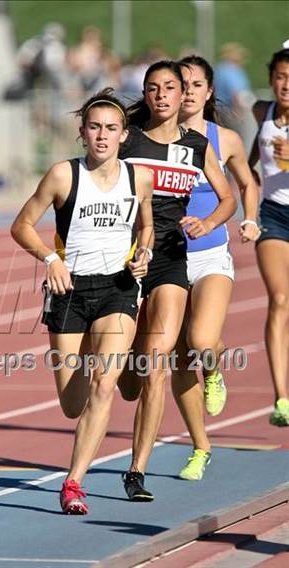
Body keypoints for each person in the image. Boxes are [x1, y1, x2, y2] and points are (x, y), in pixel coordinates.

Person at [11, 89, 154, 514]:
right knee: (73, 405)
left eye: (111, 128)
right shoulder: (62, 175)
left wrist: (143, 252)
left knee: (103, 385)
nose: (103, 136)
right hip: (69, 291)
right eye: (95, 128)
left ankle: (74, 483)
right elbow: (21, 226)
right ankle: (106, 355)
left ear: (124, 135)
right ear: (82, 134)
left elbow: (146, 227)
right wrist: (50, 258)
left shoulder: (138, 177)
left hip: (119, 288)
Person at [116, 60, 237, 500]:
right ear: (146, 95)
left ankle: (136, 471)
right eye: (155, 88)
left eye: (171, 87)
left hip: (171, 260)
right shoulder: (126, 140)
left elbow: (228, 198)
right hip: (123, 261)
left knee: (157, 360)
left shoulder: (198, 145)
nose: (164, 95)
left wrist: (207, 222)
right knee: (126, 383)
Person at [170, 55, 260, 481]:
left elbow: (247, 182)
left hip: (209, 255)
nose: (187, 91)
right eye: (180, 83)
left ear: (208, 93)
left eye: (195, 84)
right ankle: (200, 447)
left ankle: (215, 365)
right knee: (176, 359)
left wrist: (251, 217)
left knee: (202, 339)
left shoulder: (224, 140)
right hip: (166, 260)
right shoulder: (151, 138)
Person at [248, 47, 289, 426]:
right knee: (278, 298)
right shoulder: (262, 112)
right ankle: (282, 398)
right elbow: (252, 161)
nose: (286, 84)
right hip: (274, 216)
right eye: (279, 76)